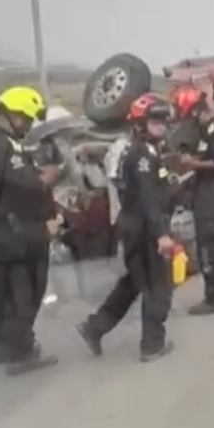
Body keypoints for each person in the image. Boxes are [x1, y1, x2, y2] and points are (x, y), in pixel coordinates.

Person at [0, 85, 62, 375]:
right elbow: (28, 185)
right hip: (12, 233)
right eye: (28, 119)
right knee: (25, 288)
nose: (29, 126)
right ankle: (22, 351)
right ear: (14, 115)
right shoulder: (2, 146)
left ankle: (2, 345)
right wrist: (49, 177)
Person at [76, 93, 177, 362]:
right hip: (143, 229)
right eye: (155, 121)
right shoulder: (141, 155)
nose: (161, 126)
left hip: (136, 227)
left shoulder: (148, 151)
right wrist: (161, 235)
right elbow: (146, 199)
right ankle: (152, 345)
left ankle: (94, 328)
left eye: (163, 121)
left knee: (133, 284)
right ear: (140, 124)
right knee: (158, 287)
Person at [170, 86, 214, 316]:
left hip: (213, 190)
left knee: (209, 243)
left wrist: (192, 164)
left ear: (197, 111)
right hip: (210, 189)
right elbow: (207, 154)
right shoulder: (206, 131)